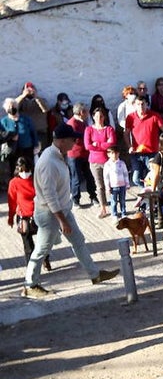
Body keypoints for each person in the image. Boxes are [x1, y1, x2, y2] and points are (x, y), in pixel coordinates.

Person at [21, 124, 119, 299]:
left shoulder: (57, 156)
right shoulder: (49, 162)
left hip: (62, 209)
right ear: (61, 141)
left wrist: (64, 216)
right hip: (50, 213)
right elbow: (49, 196)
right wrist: (62, 220)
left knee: (78, 241)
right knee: (42, 249)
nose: (75, 142)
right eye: (72, 139)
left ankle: (95, 274)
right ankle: (30, 285)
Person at [7, 156, 49, 270]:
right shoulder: (13, 183)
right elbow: (12, 202)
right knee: (28, 246)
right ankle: (31, 269)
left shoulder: (37, 180)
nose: (24, 173)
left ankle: (45, 260)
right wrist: (10, 217)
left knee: (43, 242)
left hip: (39, 215)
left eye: (26, 170)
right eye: (21, 170)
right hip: (23, 218)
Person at [128, 96, 163, 188]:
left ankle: (152, 191)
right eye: (138, 104)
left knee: (155, 176)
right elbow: (126, 133)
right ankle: (147, 190)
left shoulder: (155, 116)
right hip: (137, 153)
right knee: (136, 179)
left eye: (143, 104)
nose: (141, 106)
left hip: (152, 153)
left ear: (147, 104)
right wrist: (129, 146)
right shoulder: (130, 117)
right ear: (134, 105)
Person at [3, 96, 37, 176]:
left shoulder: (26, 119)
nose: (12, 108)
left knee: (29, 169)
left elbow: (33, 132)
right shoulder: (4, 122)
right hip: (13, 150)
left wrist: (36, 145)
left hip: (27, 149)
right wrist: (10, 138)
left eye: (13, 106)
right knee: (15, 170)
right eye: (9, 107)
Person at [103, 146, 130, 219]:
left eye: (116, 153)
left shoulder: (122, 163)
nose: (114, 155)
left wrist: (127, 184)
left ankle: (123, 213)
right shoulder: (107, 165)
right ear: (108, 154)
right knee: (114, 201)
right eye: (112, 153)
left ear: (118, 154)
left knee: (122, 200)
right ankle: (114, 214)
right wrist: (107, 187)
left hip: (122, 186)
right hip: (113, 186)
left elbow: (125, 174)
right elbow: (106, 177)